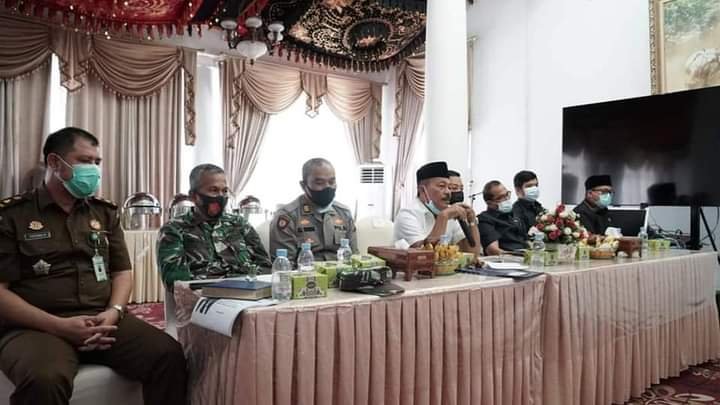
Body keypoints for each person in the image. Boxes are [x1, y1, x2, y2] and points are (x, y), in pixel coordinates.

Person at [0, 127, 187, 405]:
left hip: (103, 319)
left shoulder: (104, 212)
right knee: (45, 380)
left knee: (168, 355)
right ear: (54, 163)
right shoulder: (13, 215)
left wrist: (113, 312)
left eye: (97, 162)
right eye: (85, 160)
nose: (94, 170)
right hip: (36, 325)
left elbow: (121, 272)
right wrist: (59, 326)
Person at [157, 164, 272, 289]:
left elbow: (266, 267)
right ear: (193, 196)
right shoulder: (174, 229)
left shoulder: (239, 224)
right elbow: (175, 281)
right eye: (213, 190)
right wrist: (225, 284)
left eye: (225, 191)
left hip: (249, 293)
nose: (221, 196)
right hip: (203, 297)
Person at [270, 158, 357, 263]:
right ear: (303, 185)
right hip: (305, 271)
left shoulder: (344, 213)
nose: (327, 187)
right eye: (319, 183)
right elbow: (284, 264)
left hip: (341, 271)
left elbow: (354, 257)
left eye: (331, 182)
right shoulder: (288, 216)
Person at [394, 161, 481, 255]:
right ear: (422, 190)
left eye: (449, 187)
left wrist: (472, 222)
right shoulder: (407, 215)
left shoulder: (449, 212)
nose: (448, 192)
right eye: (442, 186)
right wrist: (443, 217)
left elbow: (472, 254)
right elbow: (424, 256)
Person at [477, 180, 528, 255]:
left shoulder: (514, 215)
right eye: (501, 197)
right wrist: (518, 256)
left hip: (525, 256)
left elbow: (526, 241)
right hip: (506, 259)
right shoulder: (485, 219)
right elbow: (493, 251)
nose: (507, 199)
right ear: (489, 203)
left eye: (507, 194)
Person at [512, 170, 545, 234]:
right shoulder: (516, 211)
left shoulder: (538, 206)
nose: (534, 189)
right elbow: (519, 235)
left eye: (536, 185)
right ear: (518, 190)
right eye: (529, 186)